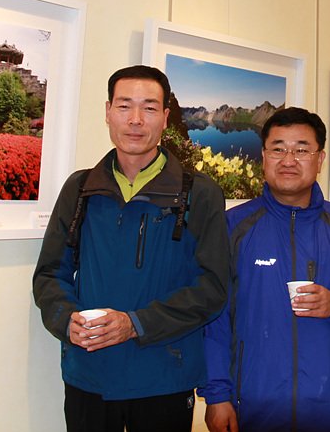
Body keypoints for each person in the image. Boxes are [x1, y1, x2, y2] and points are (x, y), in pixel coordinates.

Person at [33, 64, 229, 432]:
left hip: (164, 376)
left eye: (149, 107)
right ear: (108, 112)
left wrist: (135, 324)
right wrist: (66, 319)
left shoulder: (199, 193)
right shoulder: (80, 189)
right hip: (89, 374)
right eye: (124, 106)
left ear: (165, 118)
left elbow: (213, 288)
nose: (136, 119)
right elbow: (49, 274)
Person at [200, 107, 330, 432]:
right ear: (264, 157)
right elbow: (213, 318)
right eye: (278, 149)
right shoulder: (232, 227)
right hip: (253, 408)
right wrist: (217, 395)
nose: (289, 160)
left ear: (320, 160)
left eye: (302, 150)